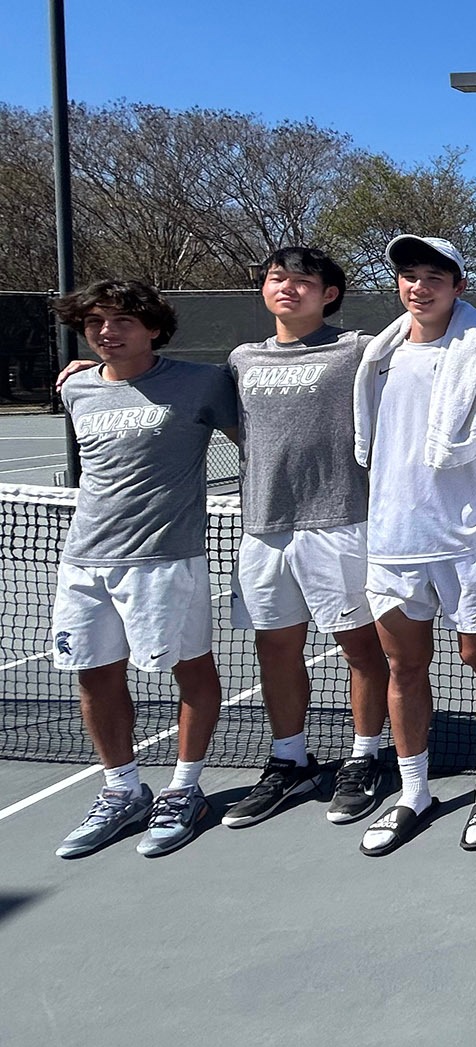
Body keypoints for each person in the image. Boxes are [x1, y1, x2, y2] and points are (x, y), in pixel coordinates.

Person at [51, 280, 239, 858]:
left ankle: (184, 790)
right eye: (95, 322)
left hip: (166, 561)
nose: (107, 332)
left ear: (153, 329)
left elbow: (258, 442)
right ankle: (122, 789)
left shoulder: (202, 383)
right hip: (83, 562)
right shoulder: (76, 387)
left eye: (122, 321)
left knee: (191, 670)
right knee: (93, 675)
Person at [351, 235, 476, 856]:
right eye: (410, 276)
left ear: (458, 287)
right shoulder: (378, 356)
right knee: (403, 667)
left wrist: (462, 471)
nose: (419, 287)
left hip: (466, 541)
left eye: (434, 278)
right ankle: (413, 792)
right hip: (392, 542)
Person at [217, 247, 392, 829]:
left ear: (329, 294)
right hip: (264, 530)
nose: (287, 288)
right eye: (277, 278)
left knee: (360, 649)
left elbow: (430, 345)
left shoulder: (358, 349)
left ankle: (364, 757)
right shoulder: (242, 359)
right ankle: (290, 759)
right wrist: (92, 368)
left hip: (340, 522)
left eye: (302, 281)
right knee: (275, 650)